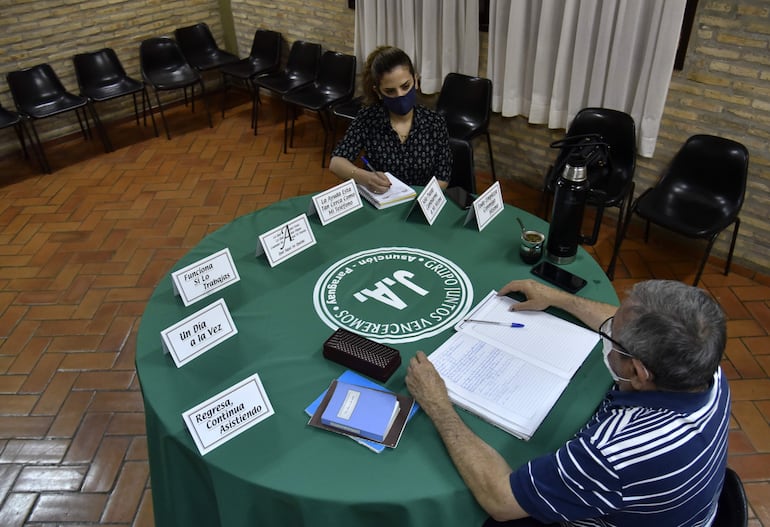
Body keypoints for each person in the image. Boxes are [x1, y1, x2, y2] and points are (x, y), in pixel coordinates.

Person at [406, 278, 730, 527]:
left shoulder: (613, 453)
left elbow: (501, 501)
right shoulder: (704, 366)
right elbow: (625, 325)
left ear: (639, 371)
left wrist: (438, 404)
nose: (607, 332)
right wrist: (559, 298)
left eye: (612, 338)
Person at [329, 46, 452, 194]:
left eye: (405, 86)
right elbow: (336, 162)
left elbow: (443, 176)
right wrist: (365, 177)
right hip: (381, 202)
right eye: (390, 91)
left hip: (420, 202)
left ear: (416, 80)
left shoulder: (434, 122)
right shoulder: (368, 118)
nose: (400, 95)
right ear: (378, 92)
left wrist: (422, 200)